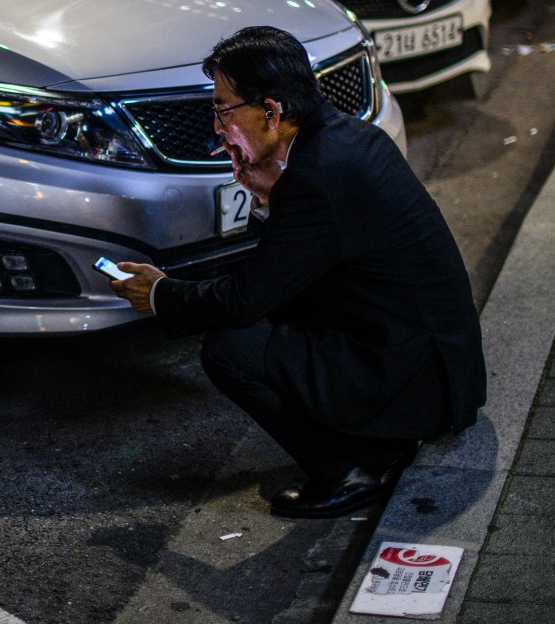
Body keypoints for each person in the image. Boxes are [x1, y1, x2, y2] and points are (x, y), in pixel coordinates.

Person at [111, 26, 486, 518]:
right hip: (430, 358)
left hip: (416, 381)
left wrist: (161, 293)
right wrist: (269, 198)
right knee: (272, 320)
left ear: (270, 111)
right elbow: (288, 272)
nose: (219, 127)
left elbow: (248, 297)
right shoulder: (344, 137)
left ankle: (352, 469)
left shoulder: (318, 177)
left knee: (231, 350)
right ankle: (367, 438)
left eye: (224, 109)